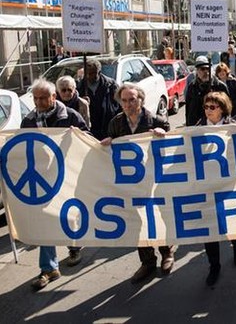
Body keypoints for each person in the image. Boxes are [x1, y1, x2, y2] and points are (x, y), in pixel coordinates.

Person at [100, 83, 175, 283]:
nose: (128, 104)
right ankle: (147, 261)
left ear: (140, 100)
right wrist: (107, 144)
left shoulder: (156, 120)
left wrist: (163, 135)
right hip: (130, 184)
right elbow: (112, 151)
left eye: (132, 99)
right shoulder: (116, 123)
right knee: (137, 222)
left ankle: (167, 252)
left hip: (153, 181)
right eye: (124, 100)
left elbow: (175, 147)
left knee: (156, 217)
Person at [21, 79, 89, 290]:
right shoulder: (29, 121)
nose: (38, 102)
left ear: (53, 97)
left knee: (68, 214)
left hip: (68, 176)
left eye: (43, 98)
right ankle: (48, 268)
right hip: (42, 179)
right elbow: (23, 147)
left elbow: (88, 140)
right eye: (35, 98)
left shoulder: (69, 116)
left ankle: (74, 246)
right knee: (44, 221)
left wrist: (77, 135)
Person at [197, 91, 236, 286]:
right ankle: (214, 265)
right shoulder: (197, 128)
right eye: (206, 107)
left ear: (222, 109)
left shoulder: (233, 128)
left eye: (212, 107)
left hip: (228, 183)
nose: (208, 110)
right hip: (206, 184)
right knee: (210, 225)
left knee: (230, 218)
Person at [77, 59, 120, 140]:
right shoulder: (79, 88)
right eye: (87, 73)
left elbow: (120, 106)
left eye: (92, 73)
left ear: (99, 72)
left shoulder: (111, 85)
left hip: (108, 130)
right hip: (90, 132)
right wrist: (81, 102)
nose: (89, 76)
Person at [185, 55, 229, 126]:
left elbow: (227, 108)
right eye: (202, 69)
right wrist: (188, 126)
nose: (206, 71)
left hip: (216, 125)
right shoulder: (192, 87)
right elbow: (188, 108)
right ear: (197, 71)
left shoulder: (220, 86)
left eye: (207, 69)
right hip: (195, 126)